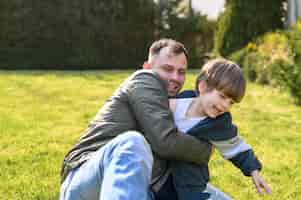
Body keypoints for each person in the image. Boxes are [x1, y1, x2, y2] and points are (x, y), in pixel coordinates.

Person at [59, 38, 213, 200]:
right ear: (147, 67)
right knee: (132, 142)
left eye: (181, 72)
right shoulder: (144, 79)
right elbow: (166, 141)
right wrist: (206, 150)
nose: (175, 77)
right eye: (168, 69)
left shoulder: (176, 104)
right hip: (88, 178)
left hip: (141, 190)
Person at [169, 58, 272, 200]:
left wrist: (254, 171)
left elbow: (235, 147)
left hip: (191, 187)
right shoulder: (179, 101)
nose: (225, 106)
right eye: (222, 96)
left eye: (231, 102)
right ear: (203, 87)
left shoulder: (219, 123)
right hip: (162, 178)